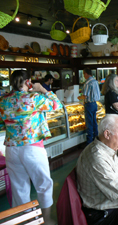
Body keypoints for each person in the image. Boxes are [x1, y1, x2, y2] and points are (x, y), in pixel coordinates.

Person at [0, 70, 63, 225]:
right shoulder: (34, 98)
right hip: (32, 149)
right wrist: (42, 88)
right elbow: (57, 105)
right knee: (43, 184)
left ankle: (25, 222)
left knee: (19, 187)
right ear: (27, 82)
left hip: (12, 150)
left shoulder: (3, 100)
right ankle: (46, 219)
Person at [78, 68, 101, 145]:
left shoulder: (88, 83)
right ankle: (96, 140)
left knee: (89, 123)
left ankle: (89, 142)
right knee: (94, 122)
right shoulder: (95, 81)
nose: (84, 76)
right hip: (95, 104)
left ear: (86, 74)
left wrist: (79, 97)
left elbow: (85, 96)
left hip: (89, 104)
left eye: (84, 74)